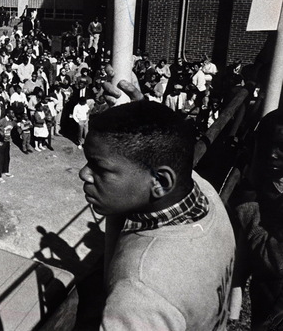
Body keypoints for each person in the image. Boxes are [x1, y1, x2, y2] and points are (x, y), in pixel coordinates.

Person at [78, 100, 234, 329]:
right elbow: (165, 154)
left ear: (160, 181)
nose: (84, 174)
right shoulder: (206, 194)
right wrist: (144, 134)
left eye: (99, 168)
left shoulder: (140, 293)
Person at [232, 107, 283, 329]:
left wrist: (249, 209)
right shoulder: (267, 182)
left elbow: (277, 260)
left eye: (282, 148)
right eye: (267, 145)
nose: (272, 154)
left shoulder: (255, 194)